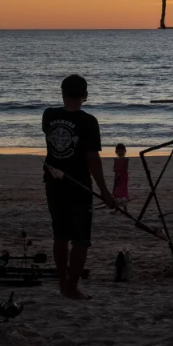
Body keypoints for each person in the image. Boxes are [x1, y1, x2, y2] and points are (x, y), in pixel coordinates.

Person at [42, 74, 115, 300]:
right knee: (81, 238)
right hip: (78, 184)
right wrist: (104, 190)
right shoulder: (88, 121)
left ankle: (64, 282)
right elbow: (92, 158)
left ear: (63, 93)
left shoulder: (49, 115)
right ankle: (71, 286)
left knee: (60, 235)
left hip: (54, 183)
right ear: (85, 95)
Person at [112, 143, 130, 214]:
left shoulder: (126, 160)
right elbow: (114, 168)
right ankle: (117, 209)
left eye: (122, 151)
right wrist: (116, 170)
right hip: (117, 177)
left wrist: (119, 169)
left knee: (123, 192)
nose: (121, 152)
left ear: (125, 151)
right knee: (116, 192)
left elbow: (125, 169)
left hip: (123, 177)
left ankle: (125, 209)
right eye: (119, 151)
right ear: (116, 152)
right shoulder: (116, 160)